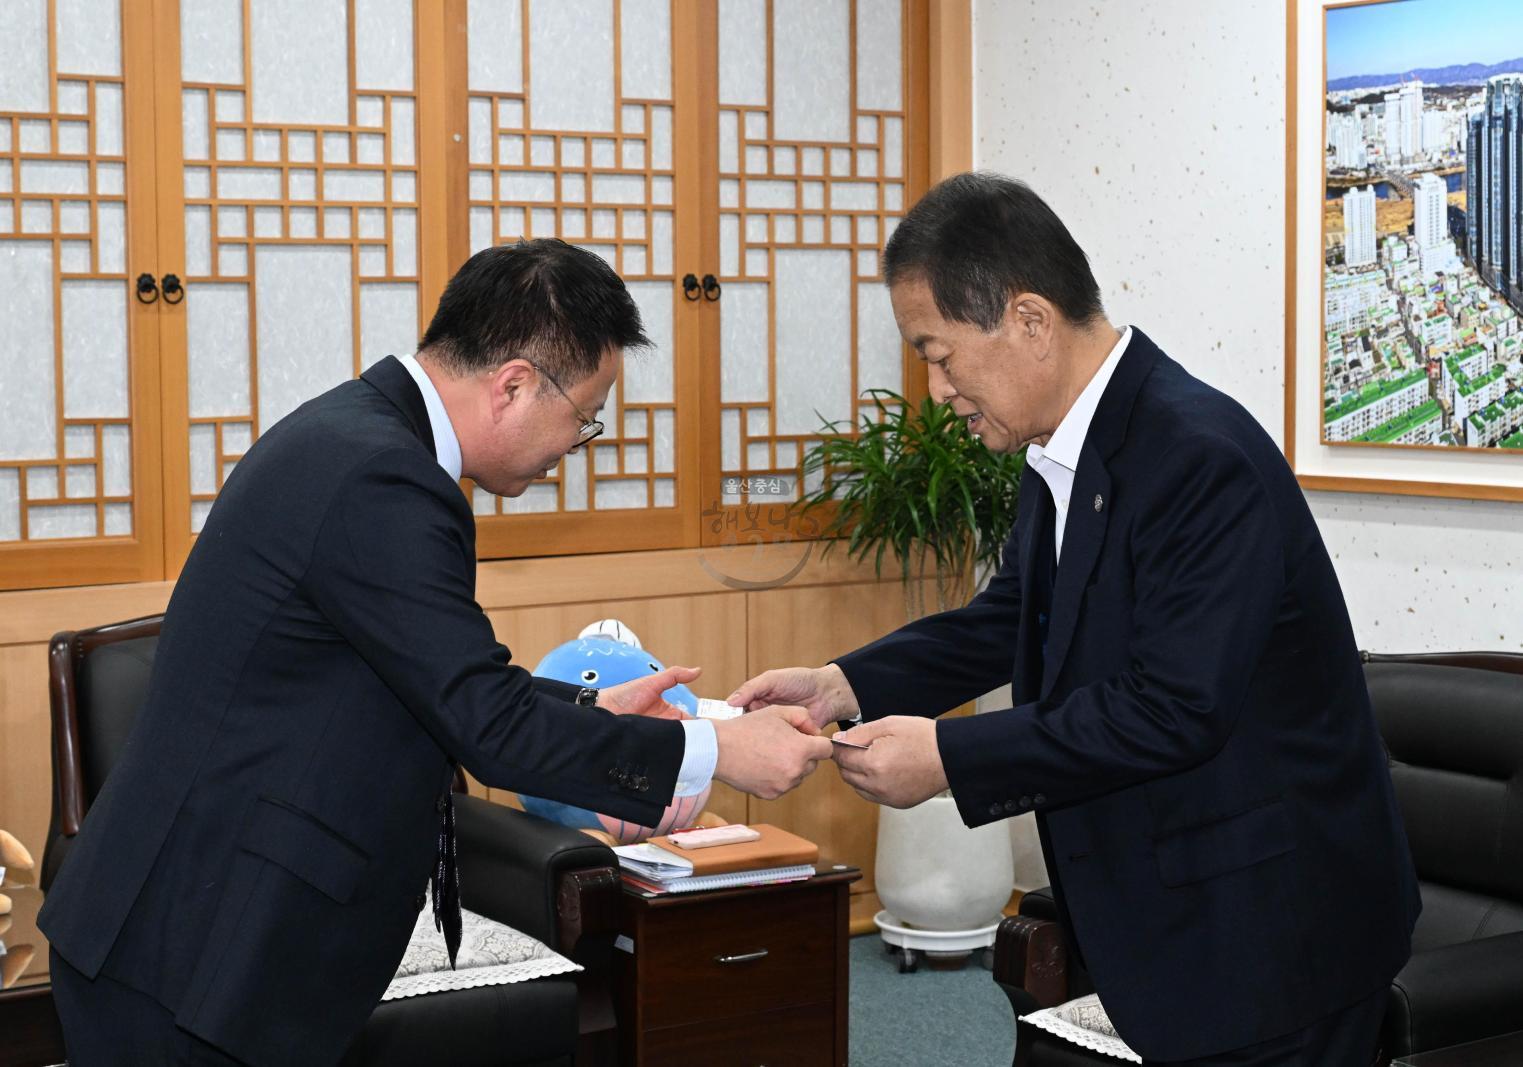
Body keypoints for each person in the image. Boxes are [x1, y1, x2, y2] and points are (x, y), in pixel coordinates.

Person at [41, 239, 832, 1066]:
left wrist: (592, 707)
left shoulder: (358, 437)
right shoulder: (384, 477)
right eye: (584, 416)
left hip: (200, 923)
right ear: (516, 383)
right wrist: (714, 750)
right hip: (192, 945)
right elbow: (485, 723)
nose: (577, 443)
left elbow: (424, 681)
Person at [729, 173, 1420, 1066]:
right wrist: (843, 683)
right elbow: (1014, 614)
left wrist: (946, 758)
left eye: (939, 354)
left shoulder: (1196, 457)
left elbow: (1173, 705)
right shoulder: (1067, 447)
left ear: (1028, 321)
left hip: (1269, 934)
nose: (936, 390)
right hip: (1179, 923)